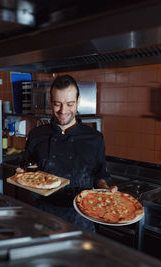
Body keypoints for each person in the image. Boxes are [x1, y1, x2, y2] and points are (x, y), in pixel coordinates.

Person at [17, 74, 117, 232]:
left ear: (78, 102)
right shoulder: (37, 135)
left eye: (70, 104)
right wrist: (23, 173)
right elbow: (28, 167)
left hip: (82, 217)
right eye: (57, 104)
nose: (63, 111)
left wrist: (104, 188)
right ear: (51, 102)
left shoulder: (94, 138)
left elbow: (100, 176)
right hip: (44, 215)